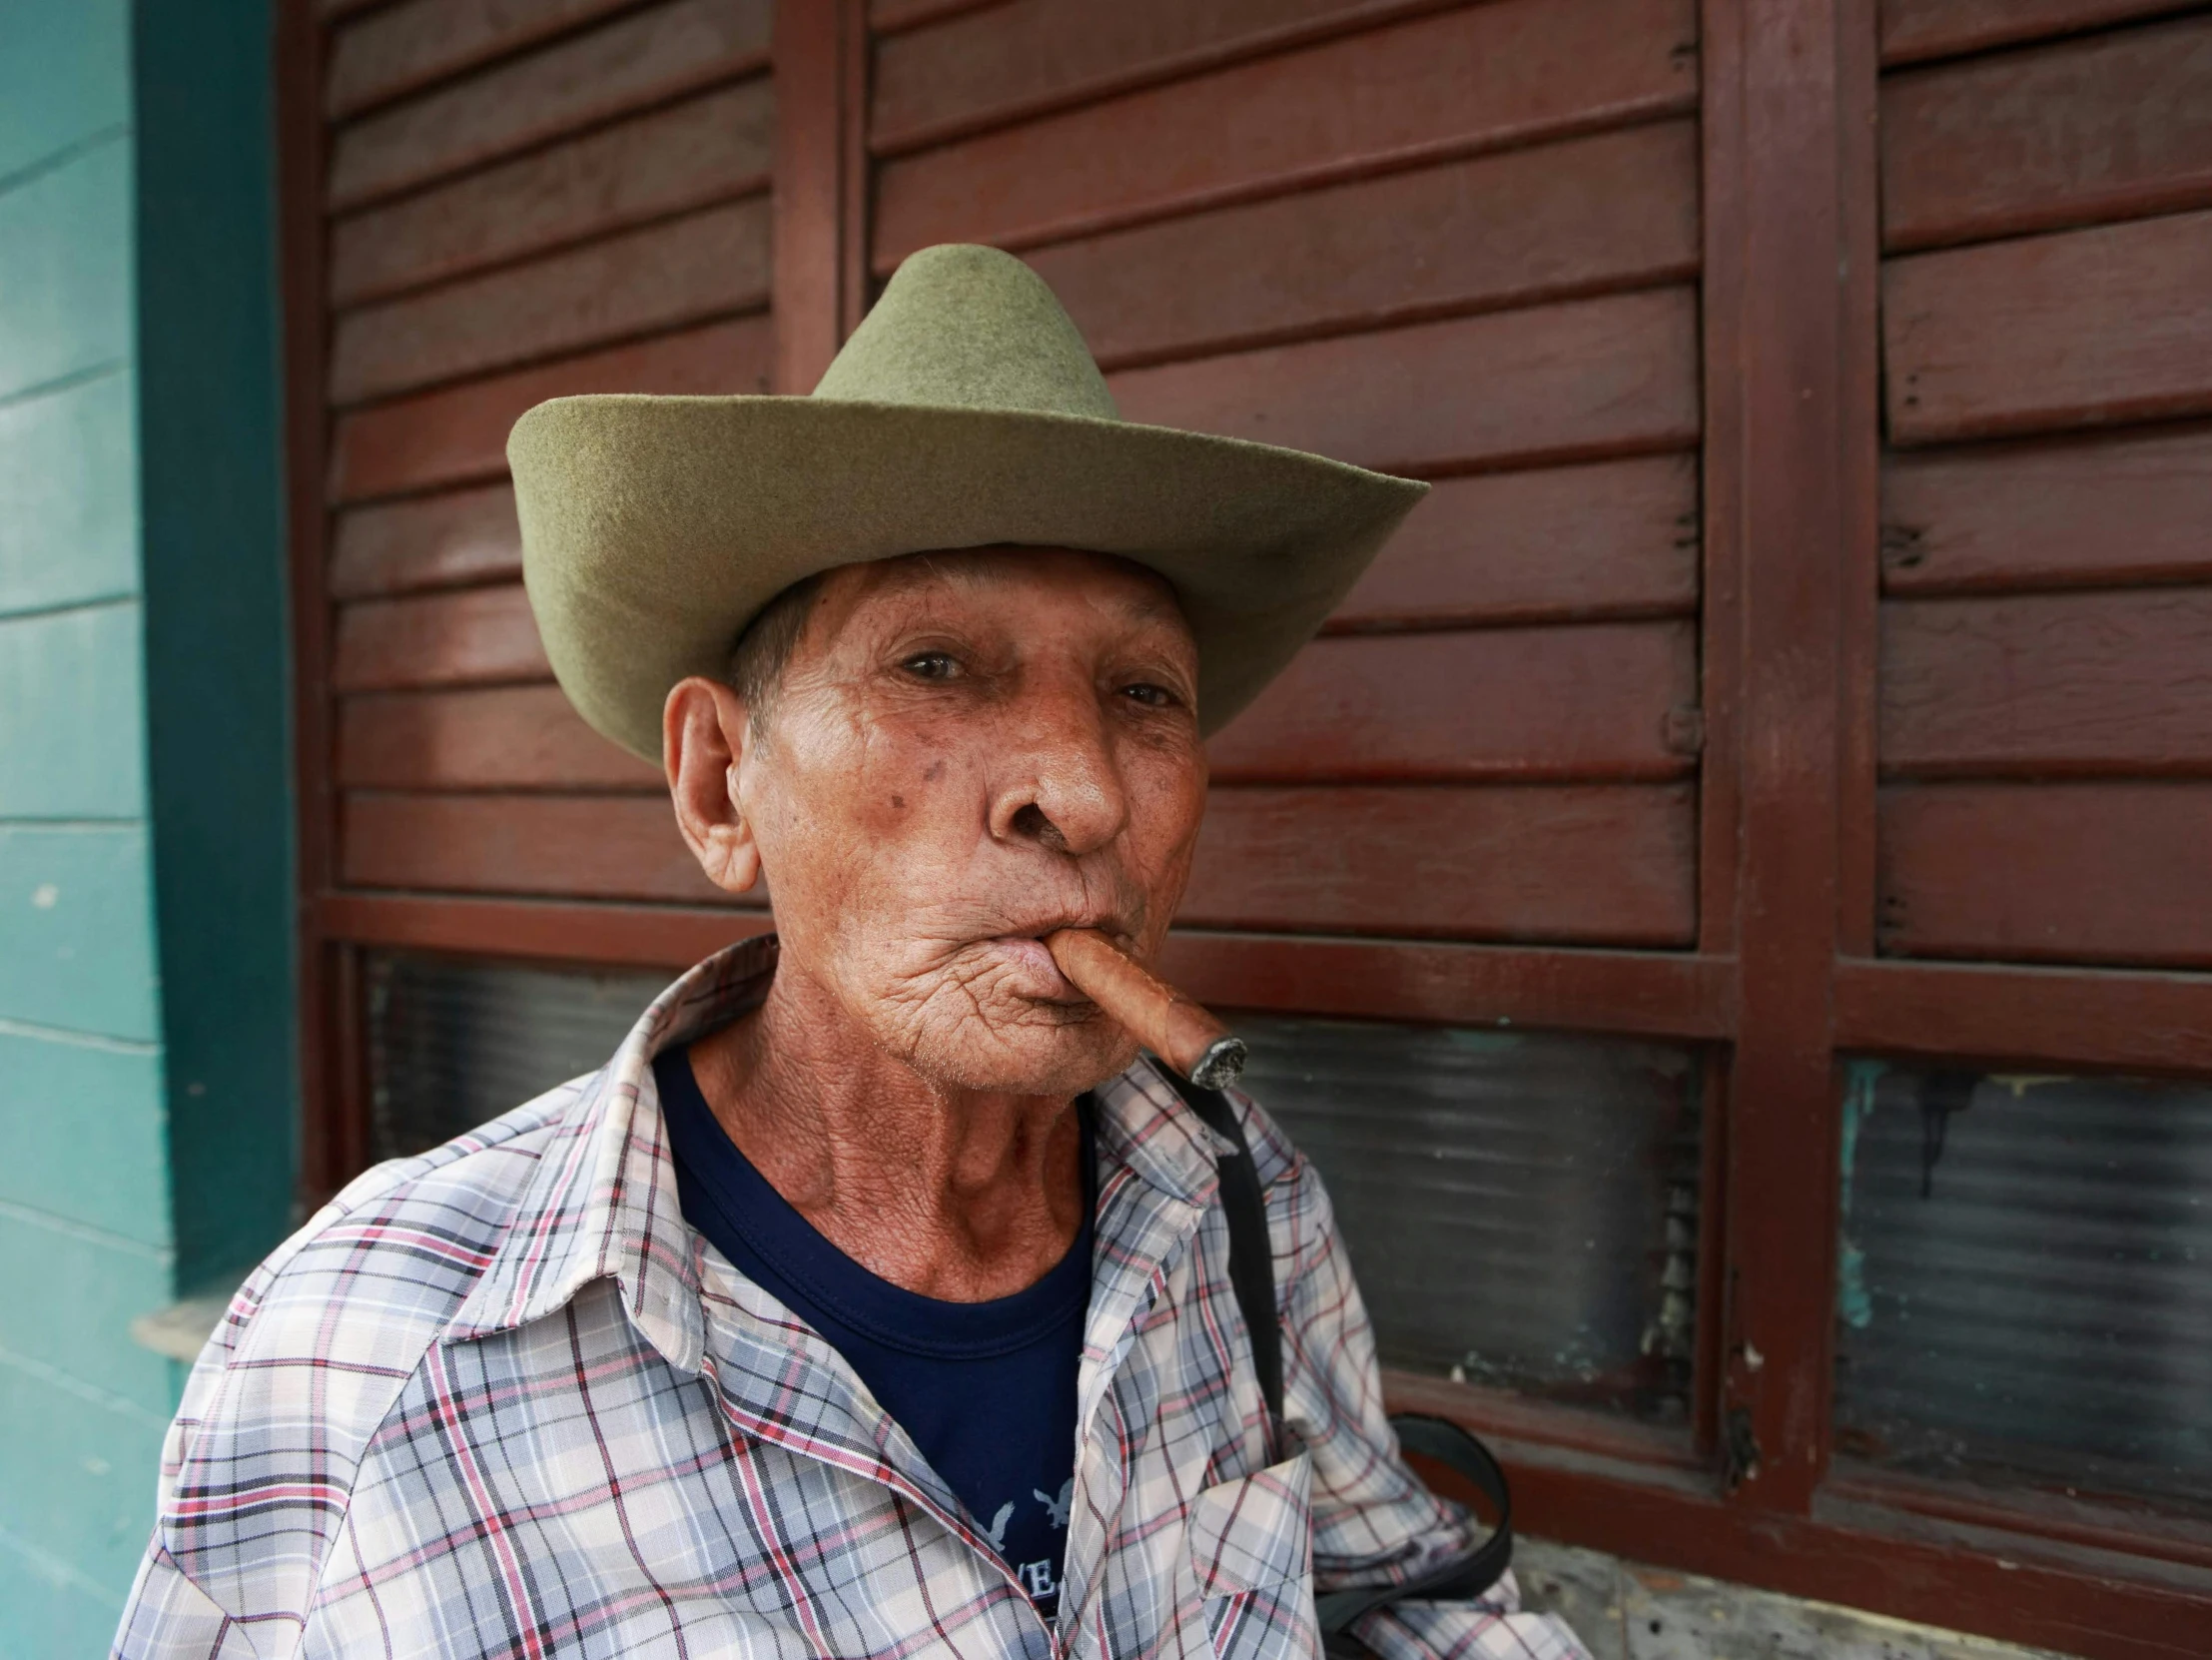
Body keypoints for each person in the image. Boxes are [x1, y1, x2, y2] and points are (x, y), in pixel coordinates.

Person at [114, 245, 1587, 1659]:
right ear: (716, 783)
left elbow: (1398, 1579)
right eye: (934, 664)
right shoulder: (370, 1350)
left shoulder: (1227, 1189)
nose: (1079, 791)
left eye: (1144, 690)